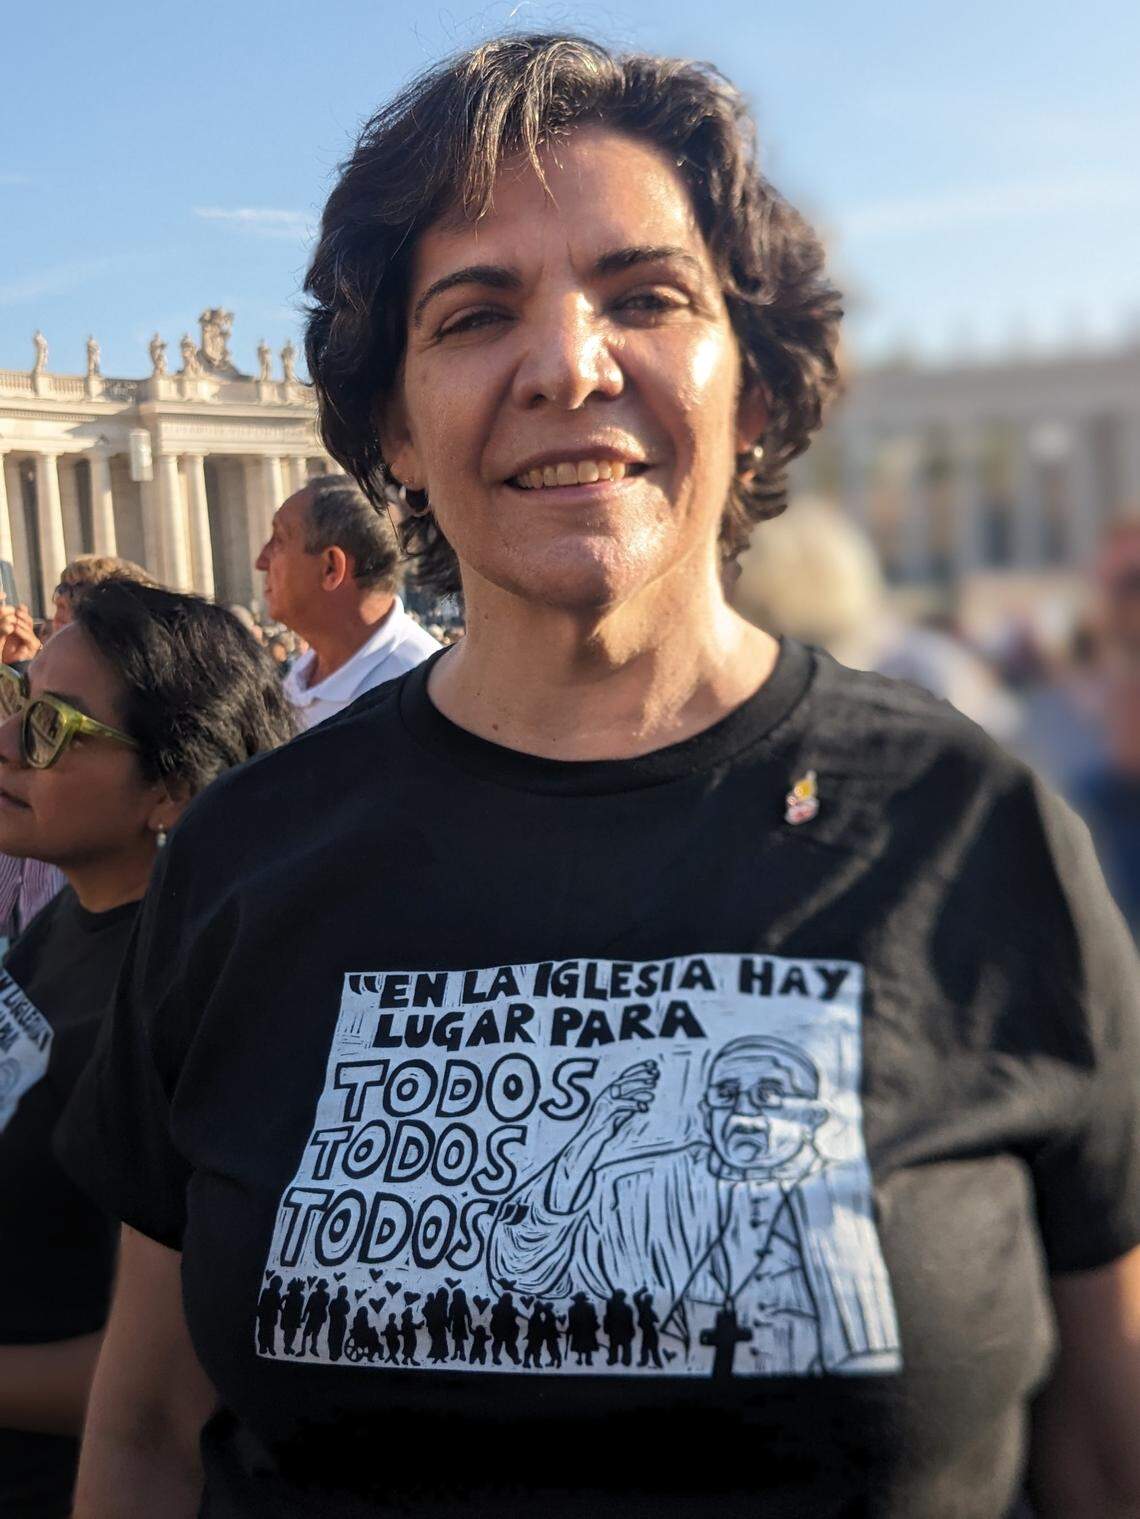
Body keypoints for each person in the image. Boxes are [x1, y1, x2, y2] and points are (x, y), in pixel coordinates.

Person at [58, 34, 1140, 1519]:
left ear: (752, 387)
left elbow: (1106, 1438)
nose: (568, 363)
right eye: (475, 311)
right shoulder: (243, 857)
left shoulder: (977, 829)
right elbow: (144, 1428)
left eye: (646, 297)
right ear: (393, 428)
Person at [0, 580, 295, 1517]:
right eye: (15, 696)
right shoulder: (72, 919)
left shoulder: (182, 1000)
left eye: (49, 726)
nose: (6, 739)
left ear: (170, 791)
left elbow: (173, 1387)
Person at [254, 473, 440, 728]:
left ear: (331, 568)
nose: (261, 562)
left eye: (278, 541)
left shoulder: (425, 693)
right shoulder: (301, 676)